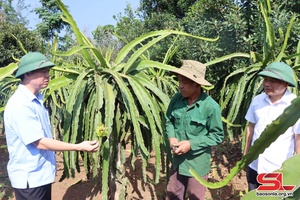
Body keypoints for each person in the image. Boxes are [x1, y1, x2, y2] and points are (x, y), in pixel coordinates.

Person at [4, 52, 99, 200]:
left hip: (39, 174)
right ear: (27, 73)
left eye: (48, 71)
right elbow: (40, 142)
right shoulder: (20, 104)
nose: (48, 75)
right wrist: (79, 146)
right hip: (30, 178)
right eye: (43, 71)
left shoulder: (37, 99)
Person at [165, 60, 224, 200]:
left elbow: (217, 136)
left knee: (195, 196)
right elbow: (169, 120)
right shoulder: (177, 99)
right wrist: (172, 137)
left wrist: (191, 144)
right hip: (178, 161)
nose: (181, 86)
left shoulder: (210, 107)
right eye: (180, 81)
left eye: (185, 82)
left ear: (197, 84)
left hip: (197, 164)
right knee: (172, 194)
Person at [243, 62, 300, 191]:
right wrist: (246, 154)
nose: (267, 84)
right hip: (254, 164)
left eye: (273, 81)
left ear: (286, 84)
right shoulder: (257, 100)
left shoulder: (295, 106)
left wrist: (297, 168)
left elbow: (298, 137)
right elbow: (250, 127)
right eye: (265, 79)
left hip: (277, 169)